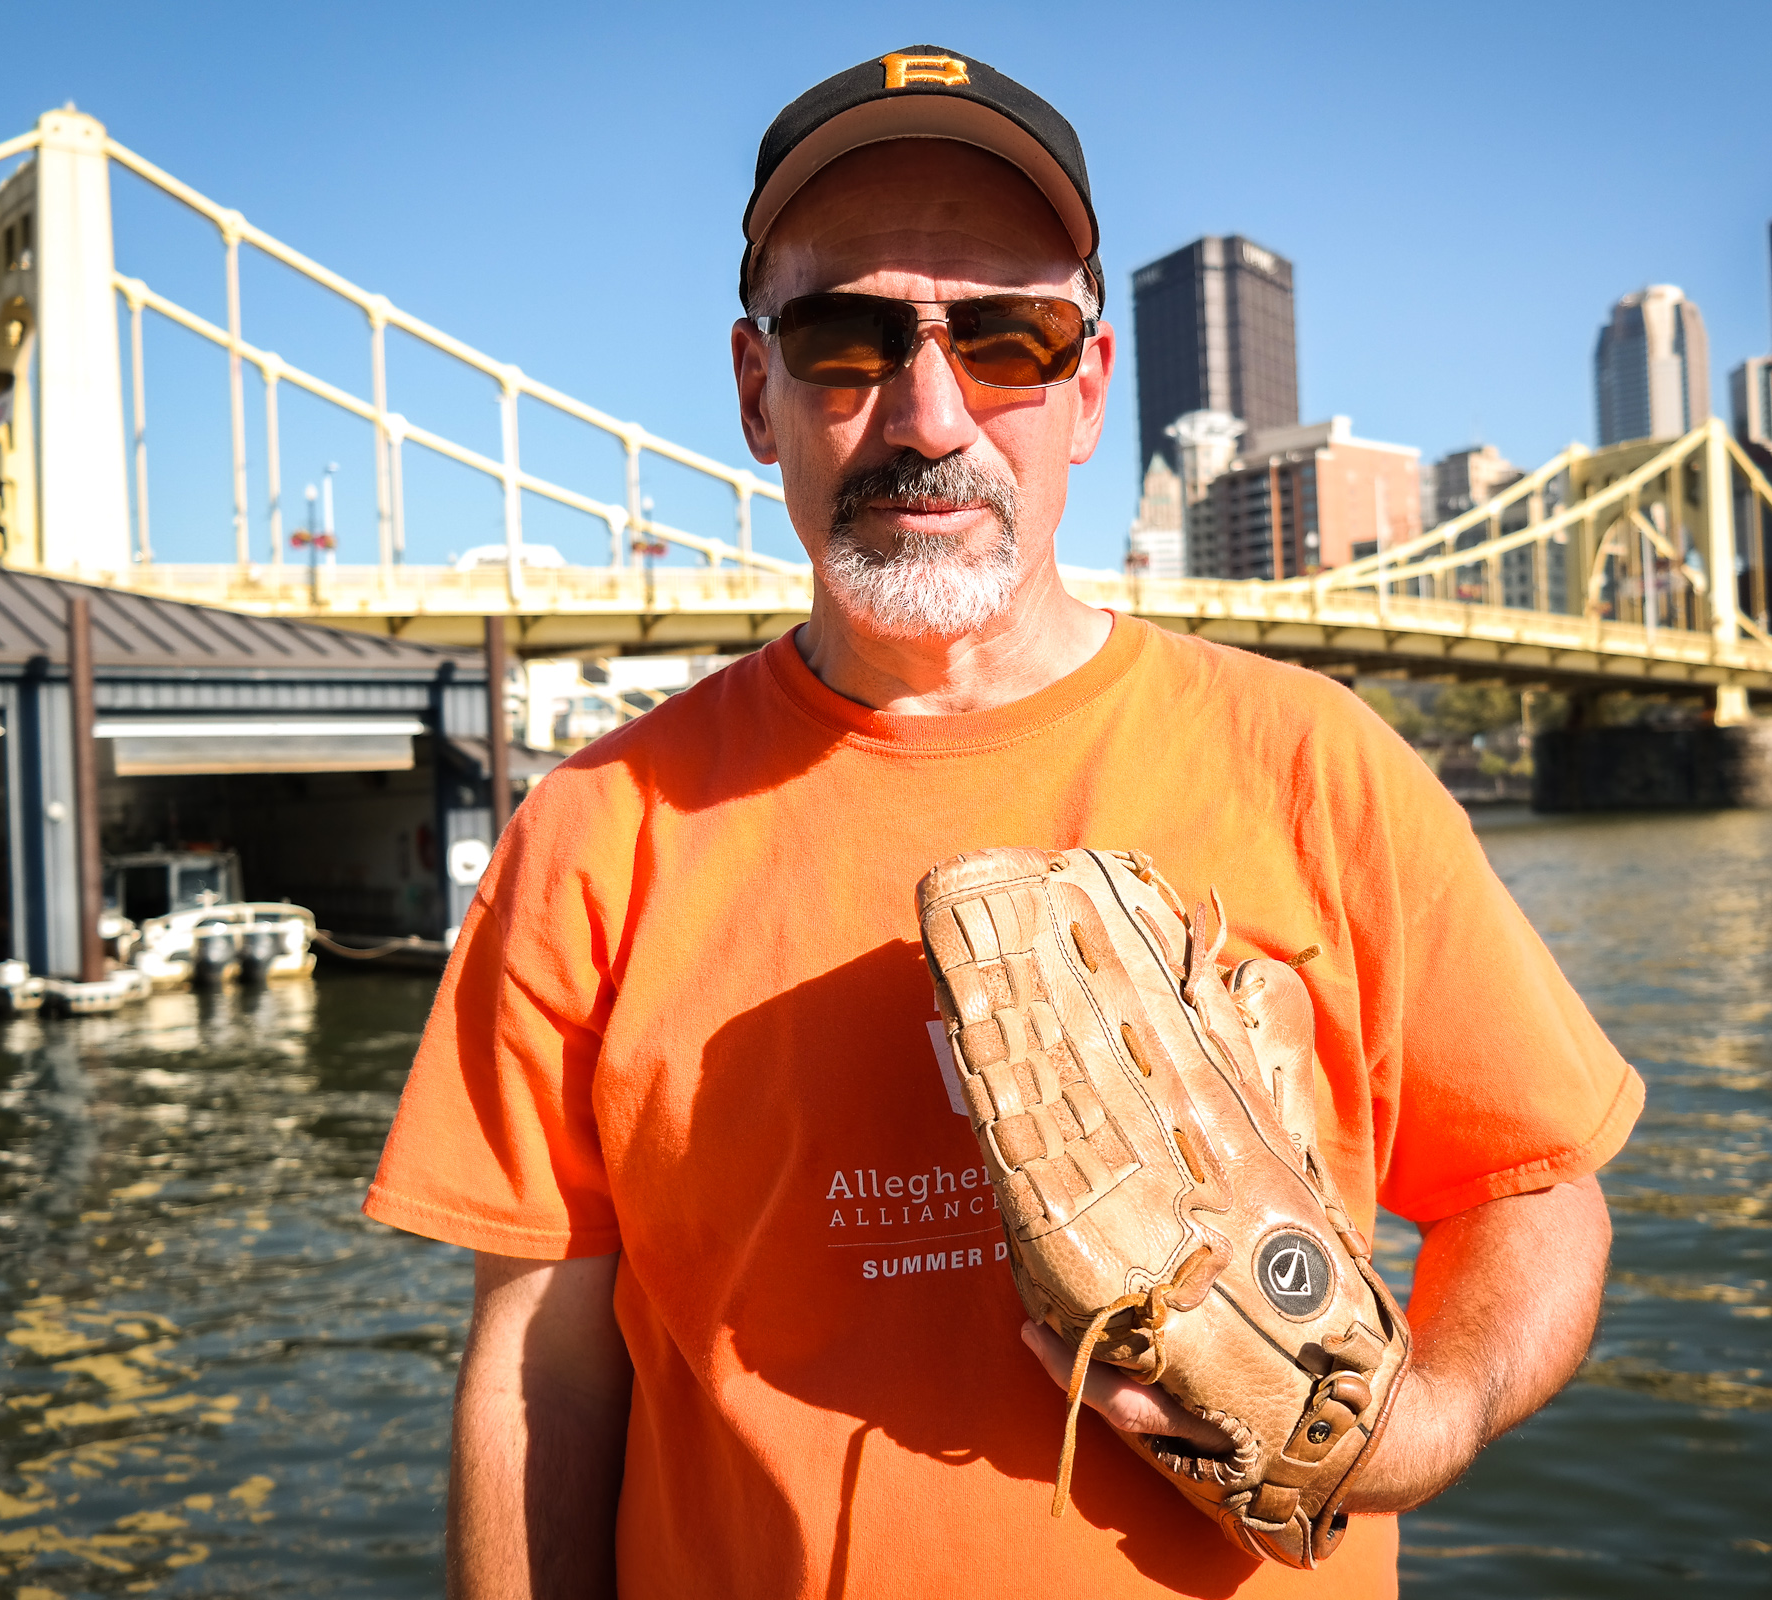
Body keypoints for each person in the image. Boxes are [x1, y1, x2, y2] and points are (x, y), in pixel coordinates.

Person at [364, 45, 1642, 1599]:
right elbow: (541, 1363)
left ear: (1089, 389)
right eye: (845, 340)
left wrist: (1426, 1421)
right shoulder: (588, 833)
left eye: (1006, 337)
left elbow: (1533, 1191)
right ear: (755, 391)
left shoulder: (1318, 762)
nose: (928, 410)